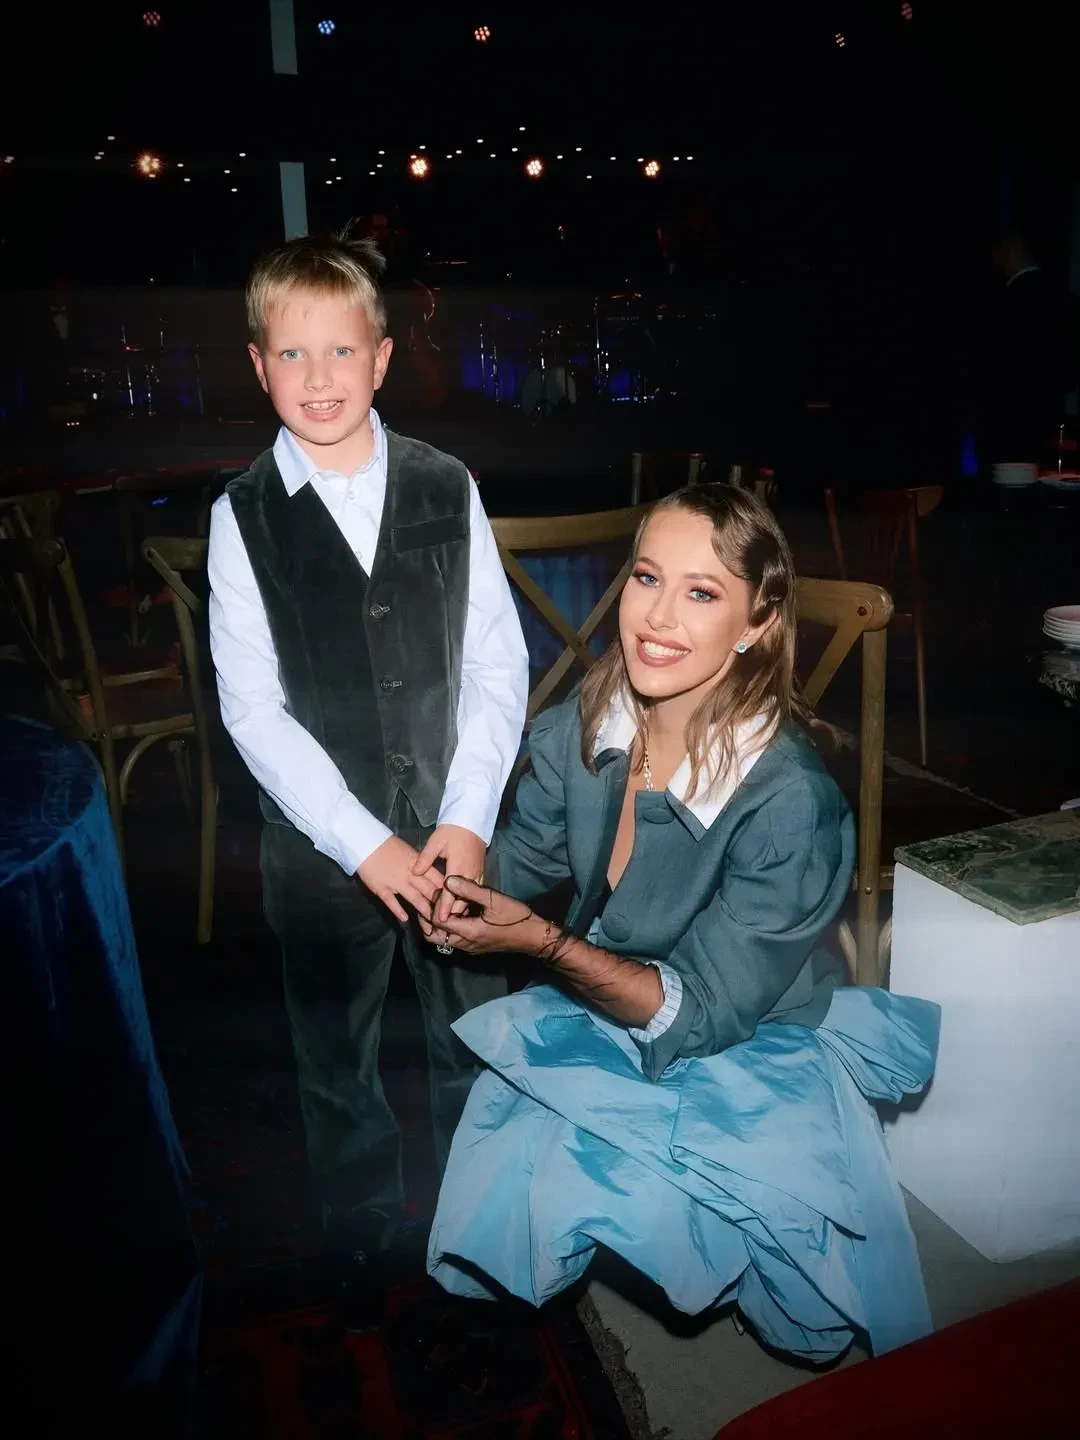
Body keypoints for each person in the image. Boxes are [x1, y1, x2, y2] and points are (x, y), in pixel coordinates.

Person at [422, 484, 940, 1362]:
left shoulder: (790, 802)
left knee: (805, 1322)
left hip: (749, 1030)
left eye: (701, 592)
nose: (657, 618)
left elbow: (701, 1011)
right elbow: (524, 857)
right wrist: (451, 879)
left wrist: (541, 943)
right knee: (534, 1176)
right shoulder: (587, 726)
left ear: (756, 624)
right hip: (609, 994)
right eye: (646, 577)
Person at [207, 232, 529, 1318]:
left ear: (382, 359)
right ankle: (358, 1229)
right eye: (292, 354)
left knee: (472, 1036)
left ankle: (479, 1213)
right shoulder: (241, 516)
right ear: (259, 366)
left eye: (341, 350)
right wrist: (362, 845)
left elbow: (496, 665)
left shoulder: (446, 484)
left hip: (453, 831)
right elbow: (253, 711)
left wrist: (468, 817)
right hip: (320, 854)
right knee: (334, 1057)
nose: (319, 377)